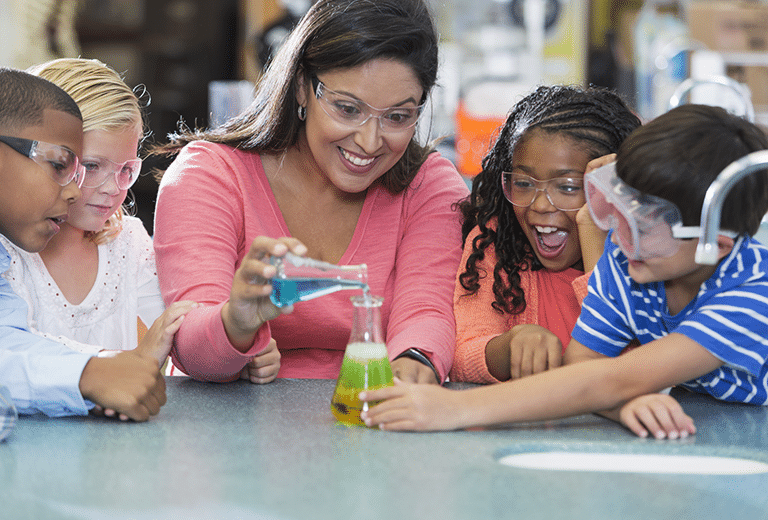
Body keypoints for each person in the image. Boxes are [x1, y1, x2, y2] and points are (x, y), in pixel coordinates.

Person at [360, 104, 768, 440]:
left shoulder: (752, 297)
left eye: (643, 227)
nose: (622, 237)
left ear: (715, 245)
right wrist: (622, 405)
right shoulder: (633, 263)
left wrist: (453, 408)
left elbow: (613, 379)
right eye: (619, 214)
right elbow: (584, 371)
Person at [152, 0, 469, 383]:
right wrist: (235, 321)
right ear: (303, 87)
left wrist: (414, 367)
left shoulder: (429, 186)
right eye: (348, 109)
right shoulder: (210, 175)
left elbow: (426, 313)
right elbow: (194, 352)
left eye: (397, 117)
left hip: (372, 413)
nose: (369, 142)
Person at [0, 58, 199, 377]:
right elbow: (11, 354)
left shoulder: (128, 244)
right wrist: (123, 362)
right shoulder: (9, 252)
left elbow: (169, 348)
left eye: (125, 171)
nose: (112, 189)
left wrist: (228, 355)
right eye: (92, 166)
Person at [450, 85, 641, 384]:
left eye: (567, 187)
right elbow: (460, 357)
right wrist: (509, 346)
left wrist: (594, 242)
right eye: (523, 183)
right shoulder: (496, 243)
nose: (538, 205)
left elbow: (634, 362)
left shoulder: (649, 257)